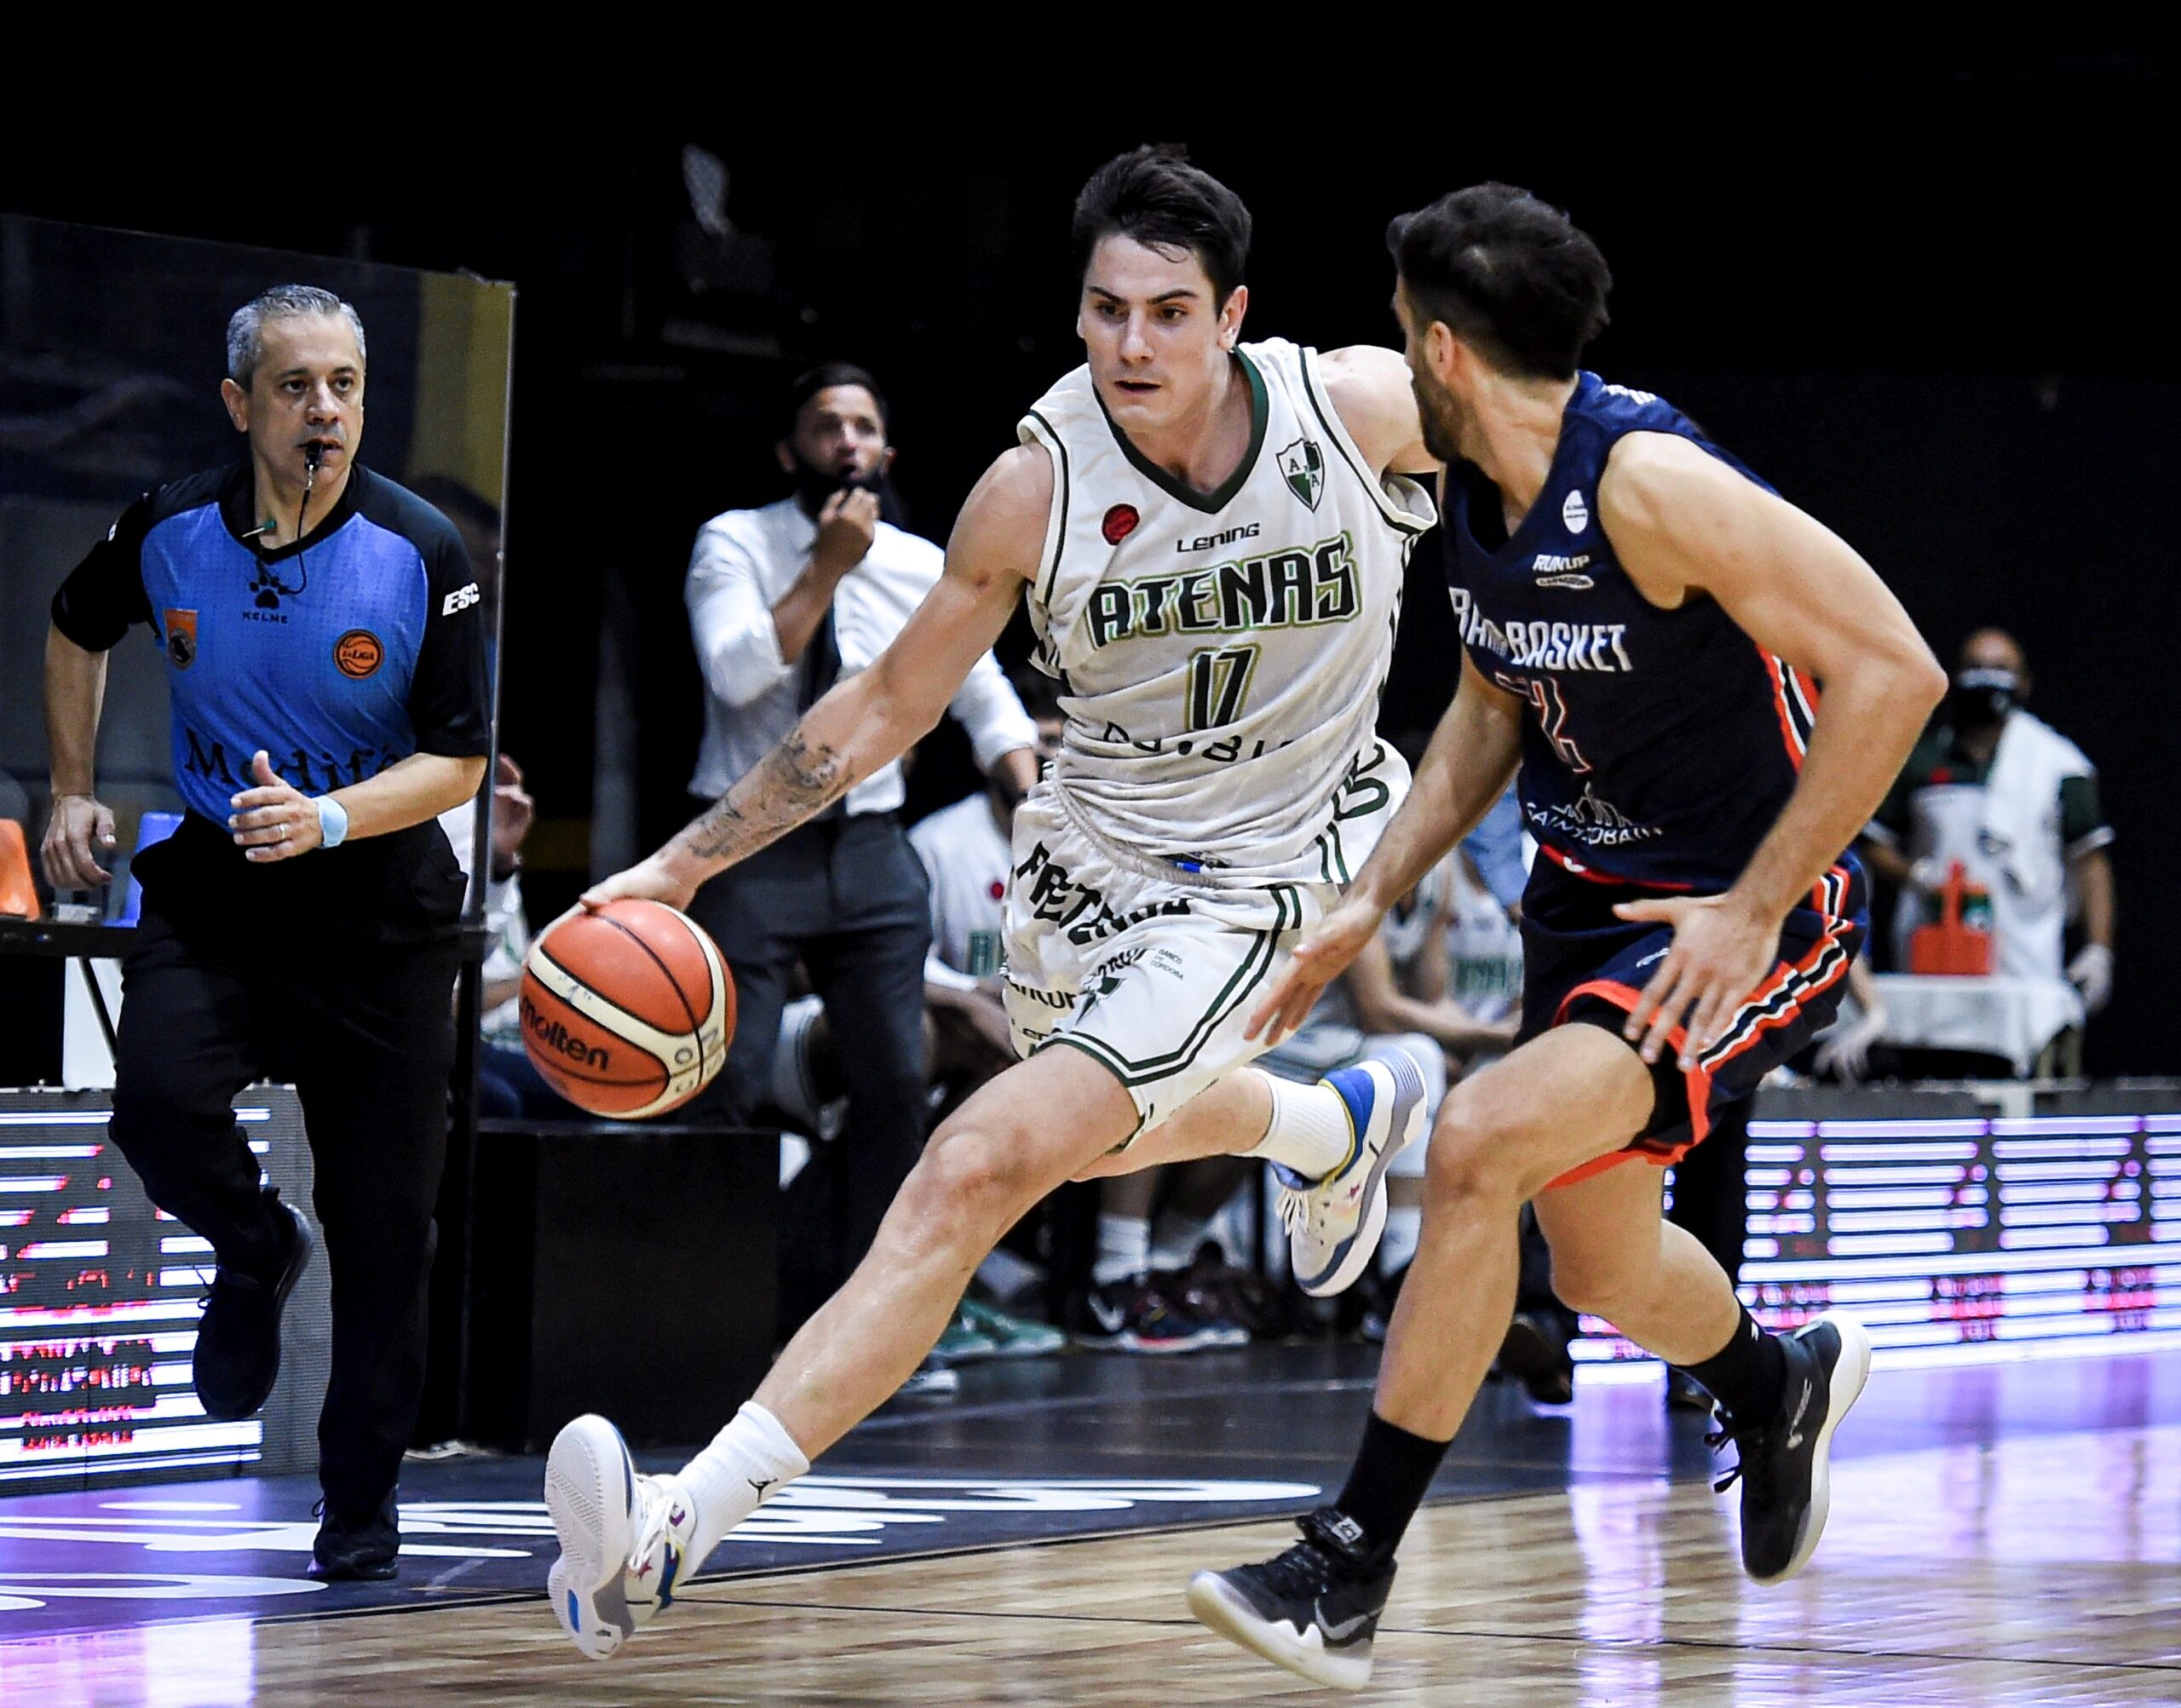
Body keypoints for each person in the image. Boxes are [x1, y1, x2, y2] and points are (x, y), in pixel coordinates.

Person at [541, 144, 1441, 1659]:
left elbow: (1566, 458)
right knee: (1102, 1137)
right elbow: (887, 705)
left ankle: (672, 1532)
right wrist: (683, 865)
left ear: (1234, 316)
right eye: (1106, 309)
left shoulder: (1359, 409)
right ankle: (1330, 1124)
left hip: (1273, 859)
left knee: (973, 1165)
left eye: (1169, 312)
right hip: (1089, 858)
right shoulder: (1038, 484)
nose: (1132, 344)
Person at [1185, 184, 1947, 1691]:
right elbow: (1490, 700)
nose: (1393, 356)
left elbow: (1896, 670)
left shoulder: (1651, 484)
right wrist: (1372, 895)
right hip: (1588, 902)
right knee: (1601, 1271)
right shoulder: (1473, 483)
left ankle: (1345, 1567)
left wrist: (1756, 905)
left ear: (1446, 350)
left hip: (1736, 910)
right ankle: (1774, 1384)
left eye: (1402, 332)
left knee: (1476, 1143)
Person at [40, 285, 491, 1580]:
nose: (325, 411)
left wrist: (330, 817)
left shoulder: (420, 549)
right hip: (223, 882)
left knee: (383, 1225)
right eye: (296, 387)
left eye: (345, 385)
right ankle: (252, 1244)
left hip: (380, 903)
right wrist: (71, 787)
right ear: (242, 404)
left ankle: (358, 1504)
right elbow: (75, 625)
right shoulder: (169, 526)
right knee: (155, 1106)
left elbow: (459, 759)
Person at [682, 362, 1040, 1331]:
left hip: (869, 843)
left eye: (863, 426)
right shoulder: (736, 540)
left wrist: (1028, 796)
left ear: (887, 451)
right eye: (825, 425)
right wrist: (826, 570)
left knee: (893, 1082)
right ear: (788, 450)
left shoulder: (923, 563)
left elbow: (984, 694)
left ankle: (861, 1322)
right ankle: (712, 1315)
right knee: (728, 1078)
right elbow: (735, 675)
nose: (846, 441)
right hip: (752, 840)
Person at [1862, 627, 2115, 1018]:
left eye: (2001, 668)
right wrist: (1918, 875)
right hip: (1936, 941)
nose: (1987, 678)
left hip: (2024, 951)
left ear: (2024, 682)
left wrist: (2099, 949)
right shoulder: (1921, 760)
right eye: (1976, 667)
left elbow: (2091, 862)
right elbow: (1874, 842)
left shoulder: (2058, 765)